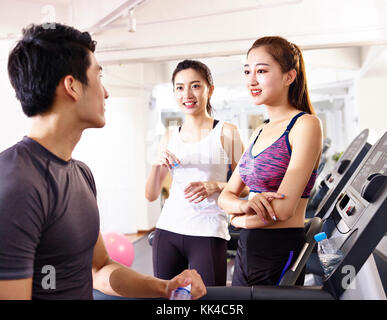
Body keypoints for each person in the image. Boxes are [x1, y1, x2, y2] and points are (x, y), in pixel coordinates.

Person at [0, 23, 206, 300]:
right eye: (98, 77)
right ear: (72, 86)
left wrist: (164, 287)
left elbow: (99, 269)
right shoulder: (16, 184)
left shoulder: (80, 173)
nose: (106, 92)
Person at [218, 36, 323, 286]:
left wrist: (237, 219)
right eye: (247, 71)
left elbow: (283, 211)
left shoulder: (305, 125)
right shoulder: (259, 132)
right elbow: (226, 196)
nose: (251, 80)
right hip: (246, 249)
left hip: (279, 250)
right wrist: (243, 208)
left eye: (262, 70)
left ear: (289, 76)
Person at [145, 60, 246, 286]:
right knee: (168, 300)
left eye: (195, 86)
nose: (187, 94)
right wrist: (155, 164)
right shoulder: (170, 135)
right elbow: (151, 195)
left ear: (209, 90)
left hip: (208, 230)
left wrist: (217, 186)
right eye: (180, 87)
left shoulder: (227, 132)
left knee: (211, 302)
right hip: (168, 229)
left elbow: (247, 184)